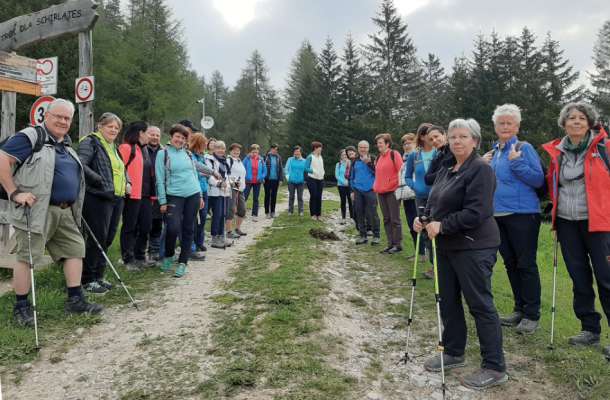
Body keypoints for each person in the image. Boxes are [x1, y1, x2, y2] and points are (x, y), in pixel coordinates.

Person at [415, 118, 507, 390]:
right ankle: (454, 351)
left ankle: (495, 366)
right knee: (447, 300)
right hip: (445, 246)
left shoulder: (481, 169)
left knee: (479, 304)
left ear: (475, 141)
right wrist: (424, 219)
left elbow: (477, 211)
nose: (456, 141)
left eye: (463, 136)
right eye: (452, 136)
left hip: (474, 246)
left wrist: (443, 224)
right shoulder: (447, 168)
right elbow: (435, 203)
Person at [0, 99, 102, 325]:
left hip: (65, 211)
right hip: (36, 210)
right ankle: (21, 307)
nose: (63, 121)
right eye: (58, 116)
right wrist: (14, 192)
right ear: (46, 116)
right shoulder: (30, 137)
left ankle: (75, 300)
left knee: (75, 250)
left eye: (67, 118)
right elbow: (2, 159)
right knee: (27, 258)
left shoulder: (65, 143)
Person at [542, 102, 610, 358]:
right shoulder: (558, 153)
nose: (577, 122)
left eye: (582, 118)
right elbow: (553, 184)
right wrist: (555, 218)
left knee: (606, 278)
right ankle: (589, 329)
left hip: (600, 224)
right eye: (571, 118)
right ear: (564, 123)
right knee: (579, 278)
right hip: (568, 224)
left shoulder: (604, 148)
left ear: (589, 122)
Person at [483, 104, 544, 334]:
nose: (505, 126)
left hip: (523, 214)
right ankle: (519, 308)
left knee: (526, 263)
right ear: (495, 126)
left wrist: (517, 162)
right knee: (510, 263)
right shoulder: (494, 151)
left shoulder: (523, 148)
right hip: (497, 215)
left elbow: (538, 180)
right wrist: (483, 164)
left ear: (517, 126)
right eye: (501, 123)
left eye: (510, 123)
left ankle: (532, 314)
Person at [78, 112, 128, 294]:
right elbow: (80, 164)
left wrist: (127, 182)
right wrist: (98, 180)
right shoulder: (91, 142)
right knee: (96, 238)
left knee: (107, 238)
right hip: (97, 197)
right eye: (110, 126)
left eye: (116, 128)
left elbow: (120, 169)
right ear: (100, 126)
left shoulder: (113, 147)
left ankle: (99, 275)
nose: (114, 130)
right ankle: (87, 279)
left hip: (116, 198)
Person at [155, 124, 203, 278]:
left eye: (183, 138)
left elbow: (194, 175)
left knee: (189, 229)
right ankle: (169, 256)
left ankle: (183, 263)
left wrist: (200, 195)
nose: (180, 140)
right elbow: (159, 180)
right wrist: (162, 201)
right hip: (174, 196)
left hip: (193, 194)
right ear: (172, 137)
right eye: (178, 137)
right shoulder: (163, 154)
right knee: (172, 228)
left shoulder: (188, 154)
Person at [405, 124, 437, 276]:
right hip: (421, 198)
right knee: (425, 231)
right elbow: (407, 176)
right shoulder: (414, 155)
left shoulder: (439, 153)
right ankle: (433, 265)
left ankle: (440, 265)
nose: (433, 138)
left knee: (437, 229)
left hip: (438, 197)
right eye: (429, 135)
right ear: (422, 136)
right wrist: (414, 186)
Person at [118, 121, 149, 270]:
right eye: (147, 132)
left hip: (139, 195)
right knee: (129, 227)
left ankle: (135, 256)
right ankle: (127, 259)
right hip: (128, 195)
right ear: (140, 133)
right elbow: (119, 169)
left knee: (139, 227)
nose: (148, 136)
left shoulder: (139, 149)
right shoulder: (126, 148)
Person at [373, 133, 404, 254]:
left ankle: (398, 244)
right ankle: (390, 243)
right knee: (386, 219)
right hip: (381, 191)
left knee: (394, 219)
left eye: (381, 143)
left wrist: (395, 185)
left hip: (392, 191)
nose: (378, 145)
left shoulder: (394, 154)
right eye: (377, 143)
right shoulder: (378, 158)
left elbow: (401, 171)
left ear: (387, 143)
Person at [349, 140, 381, 245]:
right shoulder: (354, 161)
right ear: (358, 148)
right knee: (359, 213)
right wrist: (352, 190)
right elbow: (351, 177)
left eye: (365, 147)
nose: (363, 149)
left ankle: (376, 236)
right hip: (358, 190)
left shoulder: (373, 158)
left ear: (368, 148)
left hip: (370, 190)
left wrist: (369, 163)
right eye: (361, 147)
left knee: (373, 213)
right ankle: (363, 236)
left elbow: (378, 173)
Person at [206, 141, 232, 249]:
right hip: (215, 192)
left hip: (224, 192)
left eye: (222, 148)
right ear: (214, 149)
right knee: (217, 215)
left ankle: (222, 236)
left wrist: (230, 185)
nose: (221, 150)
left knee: (223, 214)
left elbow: (228, 175)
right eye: (218, 148)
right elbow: (209, 174)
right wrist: (219, 183)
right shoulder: (210, 160)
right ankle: (214, 238)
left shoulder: (225, 161)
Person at [189, 132, 209, 259]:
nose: (206, 145)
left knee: (203, 217)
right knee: (194, 220)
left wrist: (205, 173)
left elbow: (204, 169)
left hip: (204, 189)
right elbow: (195, 171)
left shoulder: (202, 156)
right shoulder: (191, 155)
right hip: (195, 191)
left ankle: (199, 242)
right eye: (204, 143)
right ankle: (192, 246)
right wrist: (205, 173)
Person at [145, 126, 163, 260]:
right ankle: (139, 251)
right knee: (144, 223)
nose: (155, 137)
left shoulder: (164, 152)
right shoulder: (140, 149)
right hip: (143, 192)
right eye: (152, 134)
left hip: (159, 192)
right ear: (146, 134)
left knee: (157, 222)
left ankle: (154, 251)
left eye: (157, 135)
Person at [400, 133, 418, 259]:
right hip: (406, 196)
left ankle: (422, 253)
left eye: (409, 143)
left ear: (415, 143)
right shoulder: (404, 160)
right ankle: (417, 252)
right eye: (405, 143)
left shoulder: (418, 157)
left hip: (416, 195)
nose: (407, 145)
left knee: (418, 225)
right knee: (411, 225)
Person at [226, 143, 248, 238]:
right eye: (234, 150)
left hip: (240, 188)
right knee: (231, 209)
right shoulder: (228, 160)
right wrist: (234, 184)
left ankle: (237, 228)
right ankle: (229, 231)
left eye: (238, 150)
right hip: (232, 186)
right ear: (230, 151)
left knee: (242, 210)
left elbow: (242, 175)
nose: (236, 152)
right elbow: (226, 174)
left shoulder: (239, 161)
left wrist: (242, 185)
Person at [284, 145, 310, 216]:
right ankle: (290, 211)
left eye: (298, 151)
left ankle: (301, 211)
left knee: (300, 197)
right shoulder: (290, 159)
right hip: (291, 181)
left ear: (300, 152)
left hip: (301, 182)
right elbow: (286, 169)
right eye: (295, 151)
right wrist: (288, 177)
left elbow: (306, 171)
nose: (296, 153)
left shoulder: (304, 161)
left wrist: (305, 179)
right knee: (291, 196)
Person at [243, 144, 267, 218]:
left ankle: (254, 214)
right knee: (244, 197)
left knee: (256, 198)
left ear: (258, 152)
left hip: (257, 182)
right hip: (248, 181)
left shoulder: (261, 160)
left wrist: (261, 177)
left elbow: (265, 171)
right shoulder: (246, 159)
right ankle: (241, 213)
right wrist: (245, 177)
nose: (254, 153)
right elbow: (242, 169)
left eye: (256, 152)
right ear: (250, 152)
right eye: (253, 152)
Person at [305, 141, 325, 220]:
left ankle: (318, 214)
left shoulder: (320, 157)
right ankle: (313, 214)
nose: (321, 149)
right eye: (320, 148)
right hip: (312, 179)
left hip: (320, 179)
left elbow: (321, 167)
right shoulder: (310, 156)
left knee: (319, 196)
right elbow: (306, 168)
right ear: (315, 148)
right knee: (314, 195)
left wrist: (323, 173)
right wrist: (313, 171)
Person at [263, 144, 283, 218]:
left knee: (274, 196)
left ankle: (273, 212)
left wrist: (281, 179)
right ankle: (267, 212)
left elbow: (281, 169)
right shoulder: (266, 157)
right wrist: (262, 177)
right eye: (274, 149)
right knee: (267, 195)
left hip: (276, 179)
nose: (275, 151)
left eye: (276, 149)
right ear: (271, 149)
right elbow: (262, 167)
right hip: (267, 179)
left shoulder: (278, 157)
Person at [335, 149, 353, 224]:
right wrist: (344, 182)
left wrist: (348, 182)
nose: (344, 156)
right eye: (343, 155)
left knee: (350, 201)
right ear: (340, 156)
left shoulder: (351, 163)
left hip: (349, 185)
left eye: (346, 155)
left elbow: (353, 174)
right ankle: (343, 218)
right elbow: (337, 175)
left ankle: (352, 217)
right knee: (343, 201)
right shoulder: (338, 164)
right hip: (341, 185)